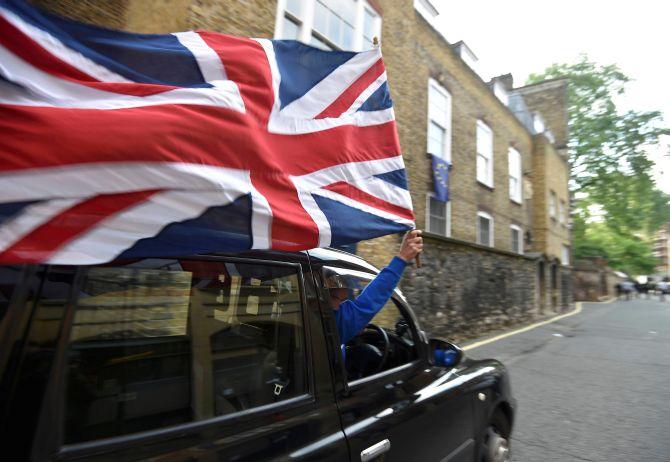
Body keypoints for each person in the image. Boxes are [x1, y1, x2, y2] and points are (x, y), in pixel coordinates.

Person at [326, 230, 423, 345]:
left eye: (344, 301)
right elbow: (370, 300)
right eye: (334, 298)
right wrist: (402, 259)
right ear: (313, 297)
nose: (342, 308)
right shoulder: (331, 325)